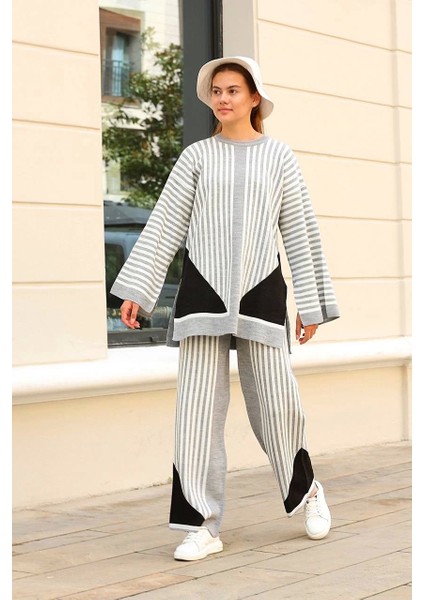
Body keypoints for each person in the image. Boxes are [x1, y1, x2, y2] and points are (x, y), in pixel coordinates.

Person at [111, 56, 340, 562]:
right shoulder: (196, 157)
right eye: (216, 91)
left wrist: (311, 304)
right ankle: (201, 525)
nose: (223, 98)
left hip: (262, 293)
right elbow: (166, 223)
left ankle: (307, 490)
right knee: (195, 412)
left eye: (233, 90)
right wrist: (139, 291)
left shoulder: (279, 157)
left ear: (254, 98)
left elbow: (300, 231)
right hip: (203, 295)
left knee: (278, 404)